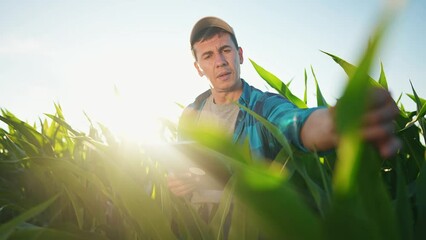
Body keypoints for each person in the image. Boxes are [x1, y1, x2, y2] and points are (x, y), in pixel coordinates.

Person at [167, 16, 400, 198]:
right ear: (198, 68)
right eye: (208, 55)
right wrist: (178, 180)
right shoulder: (191, 115)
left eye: (225, 50)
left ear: (239, 55)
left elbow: (293, 122)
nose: (220, 62)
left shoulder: (263, 106)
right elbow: (183, 168)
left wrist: (338, 122)